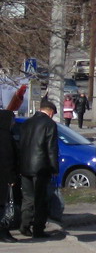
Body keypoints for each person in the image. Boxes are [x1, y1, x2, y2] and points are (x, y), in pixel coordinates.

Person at [19, 98, 60, 239]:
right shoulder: (50, 124)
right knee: (41, 199)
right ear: (50, 113)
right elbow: (51, 148)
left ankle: (24, 225)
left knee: (27, 197)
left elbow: (21, 145)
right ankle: (38, 229)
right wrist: (54, 168)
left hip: (25, 167)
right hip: (41, 168)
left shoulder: (26, 123)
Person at [0, 109, 19, 243]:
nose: (13, 123)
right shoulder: (5, 136)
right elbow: (7, 159)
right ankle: (3, 232)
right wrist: (11, 178)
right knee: (3, 205)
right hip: (3, 177)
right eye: (12, 120)